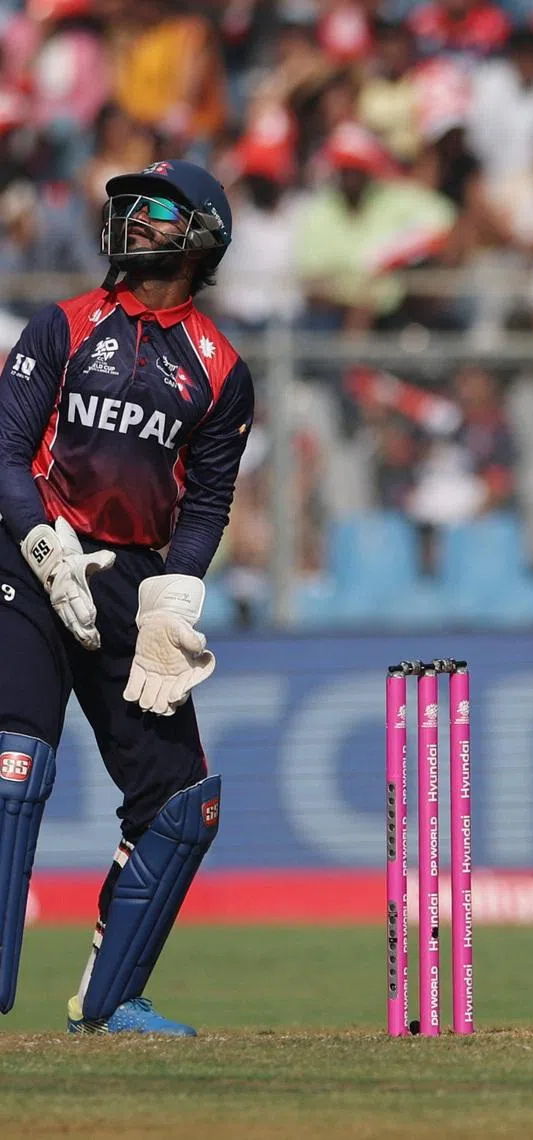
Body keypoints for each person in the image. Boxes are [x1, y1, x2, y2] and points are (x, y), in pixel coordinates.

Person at [0, 159, 253, 1034]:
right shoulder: (63, 325)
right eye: (131, 208)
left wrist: (173, 599)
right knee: (14, 765)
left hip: (129, 580)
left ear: (201, 238)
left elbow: (208, 500)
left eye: (157, 211)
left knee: (182, 804)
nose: (134, 220)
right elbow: (6, 450)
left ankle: (110, 1003)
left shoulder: (220, 369)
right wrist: (42, 543)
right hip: (30, 558)